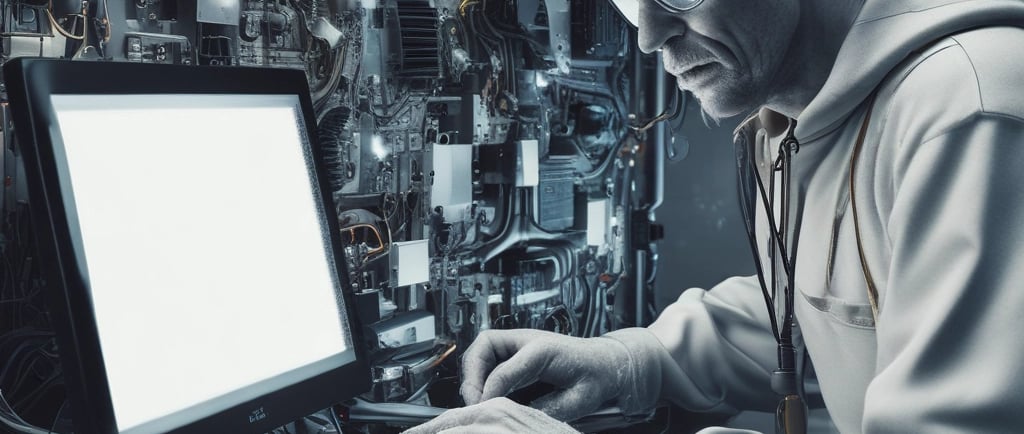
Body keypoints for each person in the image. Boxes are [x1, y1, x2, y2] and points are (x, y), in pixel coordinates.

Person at [406, 0, 1024, 432]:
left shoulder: (970, 114)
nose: (648, 34)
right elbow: (836, 310)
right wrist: (636, 360)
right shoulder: (801, 118)